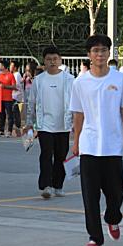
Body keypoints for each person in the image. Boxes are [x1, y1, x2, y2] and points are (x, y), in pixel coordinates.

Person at [70, 34, 123, 246]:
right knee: (90, 195)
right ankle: (94, 237)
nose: (99, 54)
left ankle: (112, 217)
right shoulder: (80, 82)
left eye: (103, 50)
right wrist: (76, 141)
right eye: (95, 50)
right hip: (89, 144)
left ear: (109, 54)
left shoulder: (120, 79)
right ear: (89, 55)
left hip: (113, 144)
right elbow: (78, 114)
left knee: (117, 191)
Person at [25, 45, 74, 199]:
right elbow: (31, 102)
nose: (52, 62)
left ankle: (58, 185)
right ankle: (46, 186)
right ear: (44, 61)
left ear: (60, 60)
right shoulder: (39, 80)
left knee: (61, 156)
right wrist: (29, 122)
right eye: (48, 59)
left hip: (64, 125)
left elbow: (76, 102)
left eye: (55, 59)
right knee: (46, 154)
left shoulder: (70, 79)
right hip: (44, 124)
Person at [0, 60, 16, 137]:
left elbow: (14, 86)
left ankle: (9, 131)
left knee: (10, 115)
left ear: (4, 66)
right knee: (1, 115)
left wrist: (5, 86)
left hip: (8, 99)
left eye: (0, 65)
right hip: (0, 98)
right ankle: (1, 130)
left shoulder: (10, 75)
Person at [10, 60, 23, 131]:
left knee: (15, 110)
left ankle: (17, 125)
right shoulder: (13, 74)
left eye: (11, 66)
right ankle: (16, 125)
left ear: (15, 67)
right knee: (14, 110)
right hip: (13, 95)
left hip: (16, 95)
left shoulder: (17, 74)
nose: (10, 67)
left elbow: (16, 86)